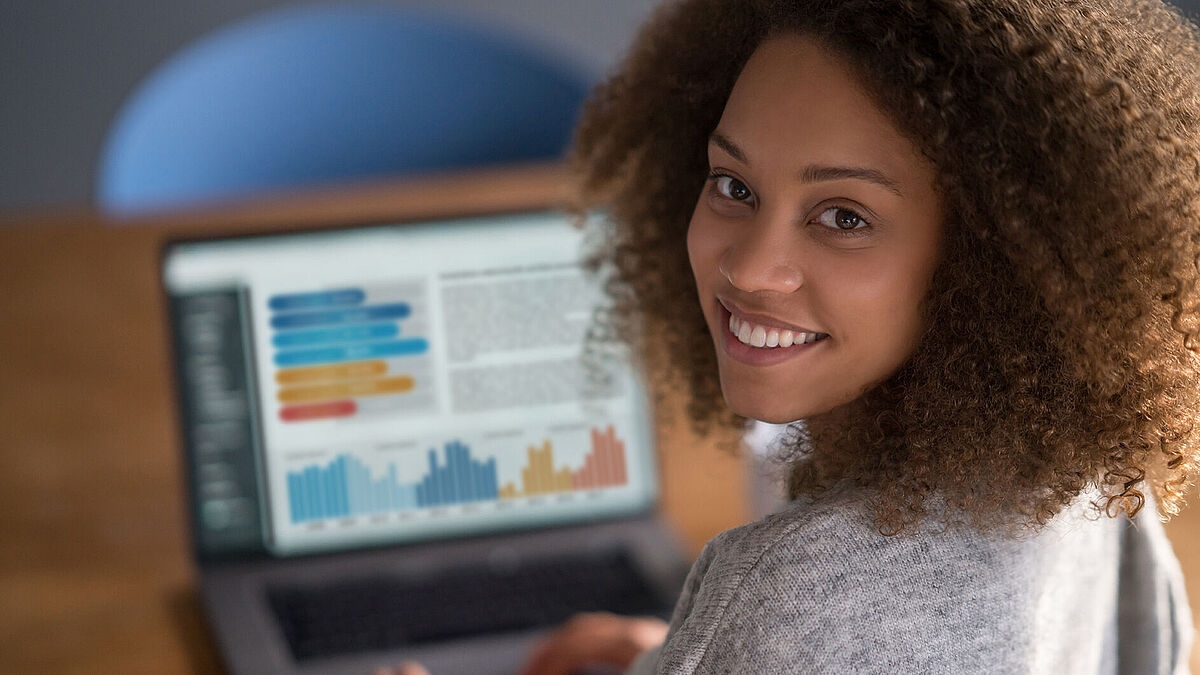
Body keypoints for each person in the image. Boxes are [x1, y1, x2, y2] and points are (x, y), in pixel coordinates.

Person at [383, 0, 1200, 672]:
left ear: (989, 263)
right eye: (733, 184)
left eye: (844, 216)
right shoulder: (1087, 479)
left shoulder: (790, 595)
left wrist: (740, 646)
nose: (750, 267)